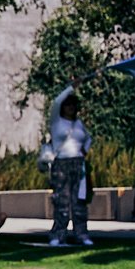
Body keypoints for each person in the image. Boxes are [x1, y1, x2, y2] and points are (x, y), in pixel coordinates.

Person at [42, 86, 92, 247]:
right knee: (61, 201)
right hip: (61, 163)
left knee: (79, 202)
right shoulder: (56, 121)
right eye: (67, 105)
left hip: (78, 163)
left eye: (73, 105)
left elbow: (88, 138)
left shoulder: (78, 123)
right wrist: (71, 88)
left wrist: (85, 150)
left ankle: (81, 234)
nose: (70, 108)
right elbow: (56, 102)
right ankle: (58, 234)